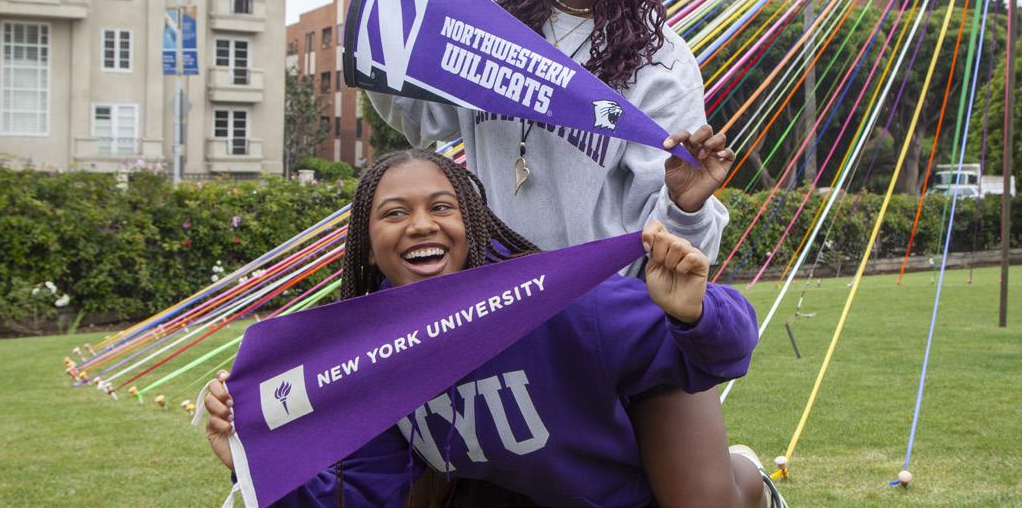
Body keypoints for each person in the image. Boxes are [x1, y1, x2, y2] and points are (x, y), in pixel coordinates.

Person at [349, 0, 761, 506]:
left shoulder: (661, 60)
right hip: (499, 319)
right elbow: (427, 120)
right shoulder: (493, 0)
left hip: (609, 318)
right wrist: (379, 25)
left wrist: (686, 203)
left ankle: (748, 479)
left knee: (697, 498)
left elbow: (669, 242)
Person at [205, 149, 770, 507]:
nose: (420, 225)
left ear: (470, 227)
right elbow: (363, 495)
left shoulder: (551, 302)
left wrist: (694, 313)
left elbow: (729, 349)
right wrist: (251, 460)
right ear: (368, 247)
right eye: (395, 213)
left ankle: (749, 481)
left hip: (649, 396)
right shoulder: (373, 357)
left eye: (441, 207)